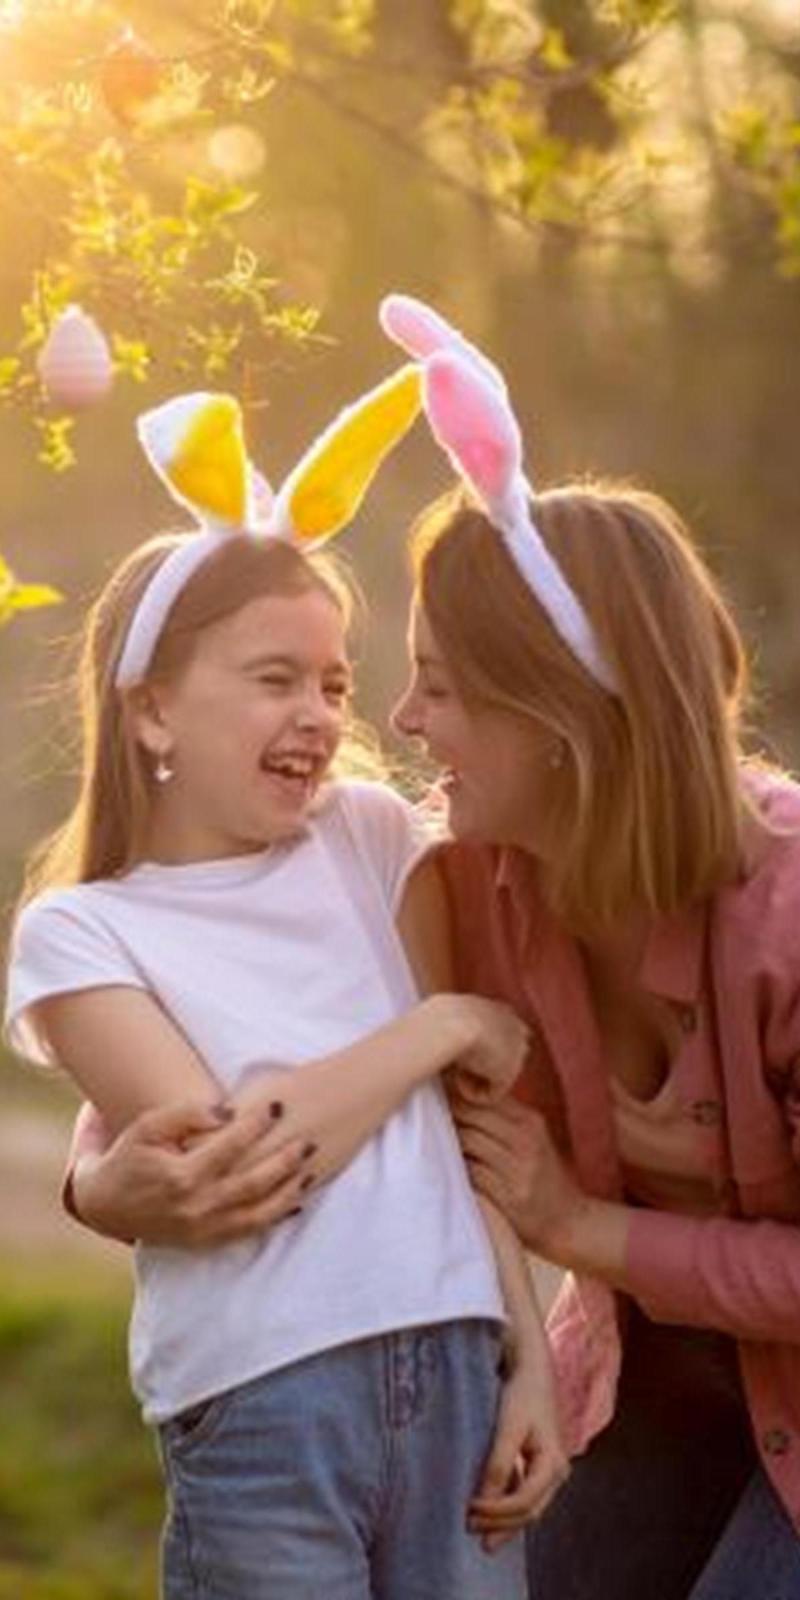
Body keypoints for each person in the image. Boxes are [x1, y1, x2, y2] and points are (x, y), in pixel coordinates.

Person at [4, 381, 566, 1600]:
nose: (317, 716)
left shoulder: (369, 835)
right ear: (152, 706)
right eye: (274, 679)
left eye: (333, 685)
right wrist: (439, 1024)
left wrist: (528, 1353)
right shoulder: (82, 933)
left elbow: (461, 1132)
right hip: (265, 1405)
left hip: (459, 1377)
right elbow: (239, 1170)